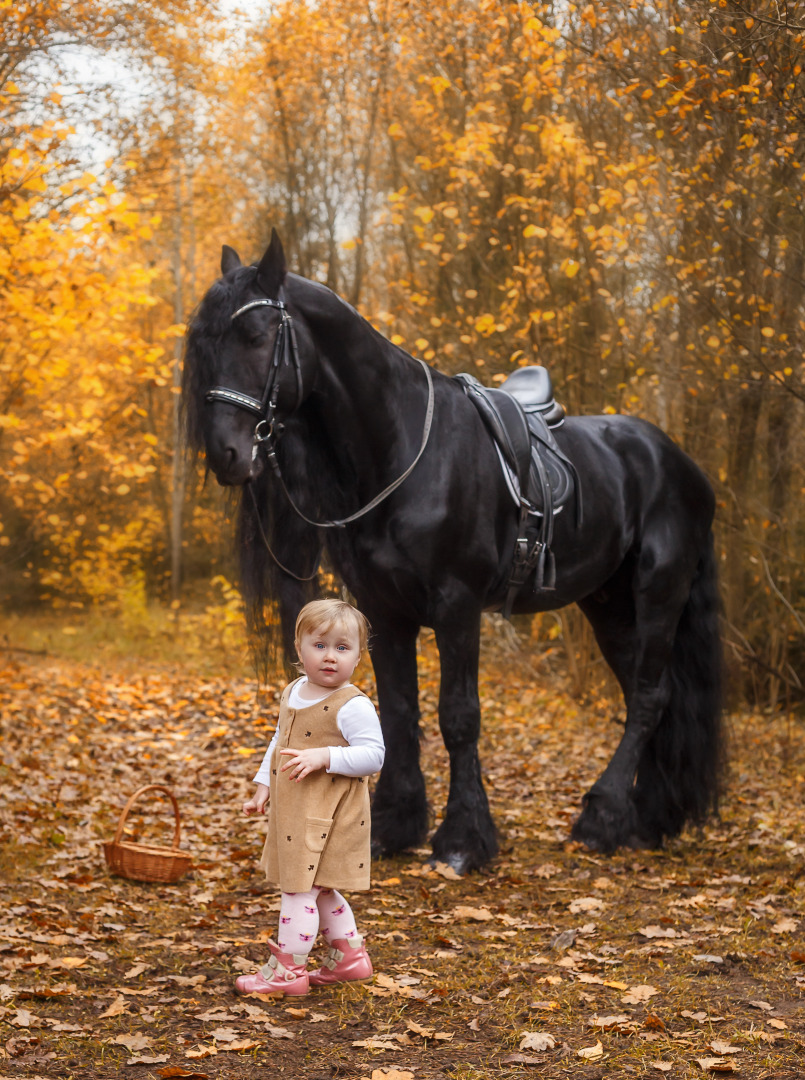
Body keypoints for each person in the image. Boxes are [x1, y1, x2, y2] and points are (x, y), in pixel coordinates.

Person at [235, 598, 385, 997]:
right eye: (319, 645)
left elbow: (374, 755)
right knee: (319, 888)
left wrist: (326, 756)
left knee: (299, 891)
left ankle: (288, 971)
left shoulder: (352, 705)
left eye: (342, 647)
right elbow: (280, 740)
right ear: (299, 647)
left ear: (358, 656)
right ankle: (349, 958)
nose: (330, 657)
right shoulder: (295, 690)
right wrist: (263, 784)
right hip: (298, 812)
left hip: (331, 814)